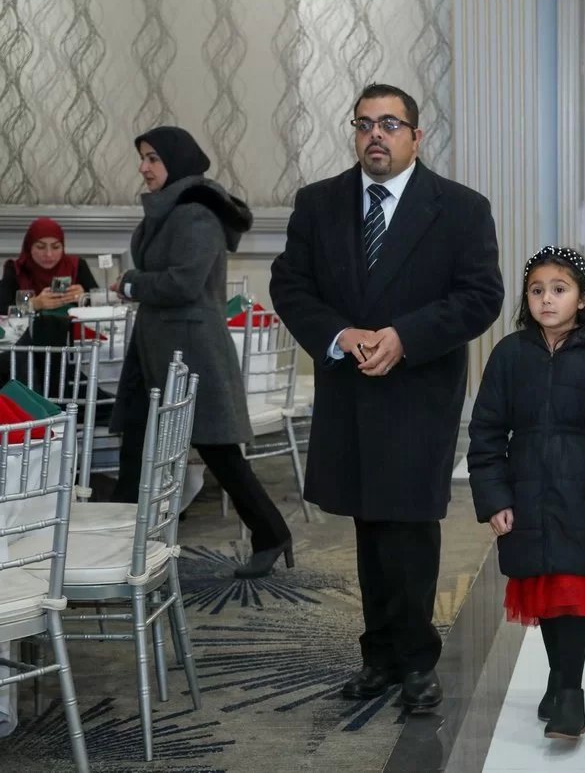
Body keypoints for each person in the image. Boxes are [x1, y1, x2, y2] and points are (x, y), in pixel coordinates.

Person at [270, 83, 503, 714]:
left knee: (411, 527)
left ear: (416, 137)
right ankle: (379, 657)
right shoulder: (318, 203)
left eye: (390, 124)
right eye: (365, 123)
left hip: (417, 391)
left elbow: (481, 296)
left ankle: (417, 662)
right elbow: (290, 285)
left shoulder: (460, 208)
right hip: (350, 388)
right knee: (369, 526)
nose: (376, 134)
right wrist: (341, 335)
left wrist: (404, 337)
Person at [109, 126, 293, 580]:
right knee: (136, 440)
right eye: (142, 157)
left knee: (218, 452)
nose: (143, 167)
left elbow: (184, 283)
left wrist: (132, 283)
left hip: (191, 350)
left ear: (176, 161)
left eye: (153, 158)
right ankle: (122, 543)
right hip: (159, 346)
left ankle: (271, 533)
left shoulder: (196, 213)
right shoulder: (169, 208)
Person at [468, 245, 585, 741]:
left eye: (559, 289)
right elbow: (486, 432)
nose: (547, 300)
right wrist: (494, 498)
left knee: (572, 591)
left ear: (583, 298)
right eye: (537, 290)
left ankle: (571, 695)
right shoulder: (510, 354)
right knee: (544, 590)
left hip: (584, 495)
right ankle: (559, 679)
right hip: (527, 491)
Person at [1, 217, 97, 314]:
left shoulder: (76, 266)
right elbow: (2, 308)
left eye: (56, 247)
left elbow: (100, 304)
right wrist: (33, 304)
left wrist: (85, 298)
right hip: (30, 324)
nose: (49, 254)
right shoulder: (17, 269)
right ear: (29, 247)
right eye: (40, 247)